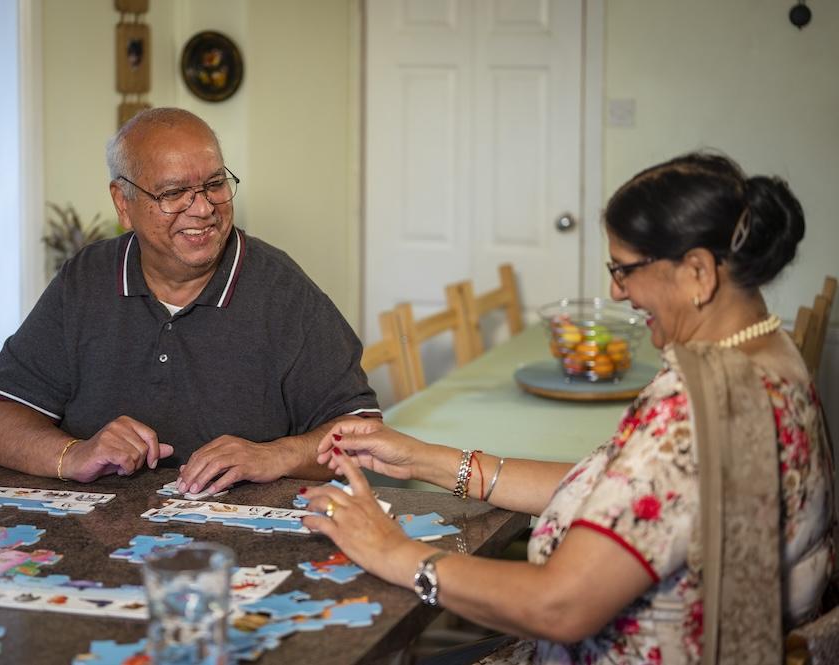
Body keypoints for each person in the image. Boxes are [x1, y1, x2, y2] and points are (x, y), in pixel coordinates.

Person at [301, 152, 834, 664]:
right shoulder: (767, 356)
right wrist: (426, 460)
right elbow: (627, 491)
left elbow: (558, 606)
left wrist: (394, 552)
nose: (616, 290)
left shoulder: (695, 410)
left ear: (697, 271)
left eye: (625, 270)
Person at [0, 108, 380, 489]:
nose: (202, 208)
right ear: (122, 203)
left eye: (215, 184)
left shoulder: (284, 291)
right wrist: (72, 455)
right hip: (102, 543)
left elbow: (365, 435)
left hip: (240, 551)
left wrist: (274, 454)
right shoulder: (84, 280)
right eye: (173, 192)